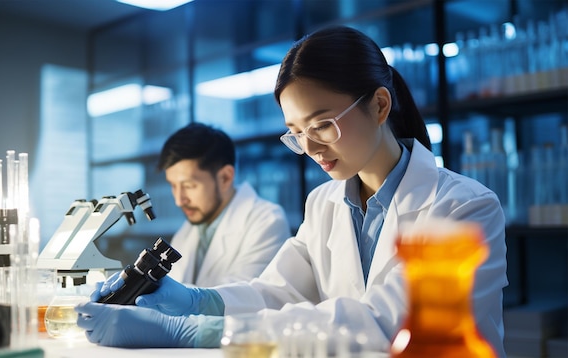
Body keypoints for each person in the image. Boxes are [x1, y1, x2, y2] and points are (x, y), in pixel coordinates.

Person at [76, 26, 508, 356]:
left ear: (379, 105)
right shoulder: (325, 203)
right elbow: (278, 292)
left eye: (322, 125)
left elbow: (387, 324)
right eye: (296, 133)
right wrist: (196, 302)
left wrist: (197, 332)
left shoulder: (466, 208)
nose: (311, 148)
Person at [152, 122, 291, 286]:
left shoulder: (267, 221)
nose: (179, 200)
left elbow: (245, 299)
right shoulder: (187, 232)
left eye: (189, 186)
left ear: (225, 178)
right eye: (173, 186)